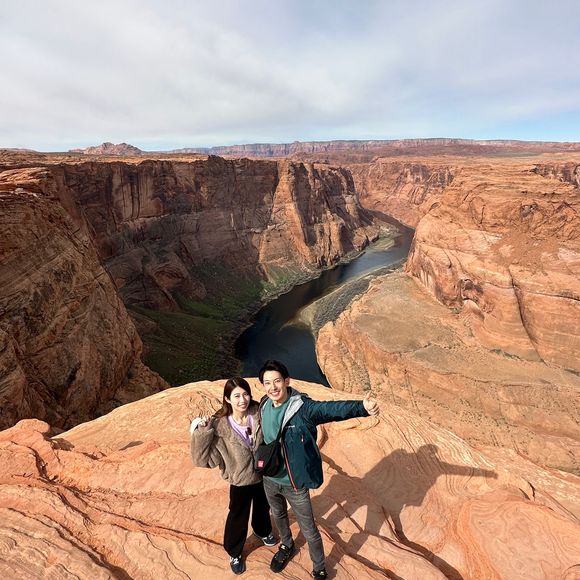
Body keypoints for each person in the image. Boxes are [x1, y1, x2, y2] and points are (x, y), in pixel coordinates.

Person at [257, 359, 380, 579]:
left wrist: (362, 407)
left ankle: (319, 568)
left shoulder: (303, 409)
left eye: (277, 381)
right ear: (263, 386)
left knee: (309, 530)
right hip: (270, 478)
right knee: (279, 515)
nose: (273, 387)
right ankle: (287, 545)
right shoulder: (264, 404)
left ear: (287, 381)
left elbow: (330, 410)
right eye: (267, 382)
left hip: (294, 484)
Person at [190, 377, 277, 575]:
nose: (242, 400)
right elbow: (202, 460)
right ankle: (234, 551)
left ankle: (262, 530)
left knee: (263, 507)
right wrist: (202, 432)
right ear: (227, 399)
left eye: (245, 394)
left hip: (263, 474)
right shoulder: (219, 427)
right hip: (240, 480)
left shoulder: (259, 413)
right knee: (238, 515)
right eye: (236, 396)